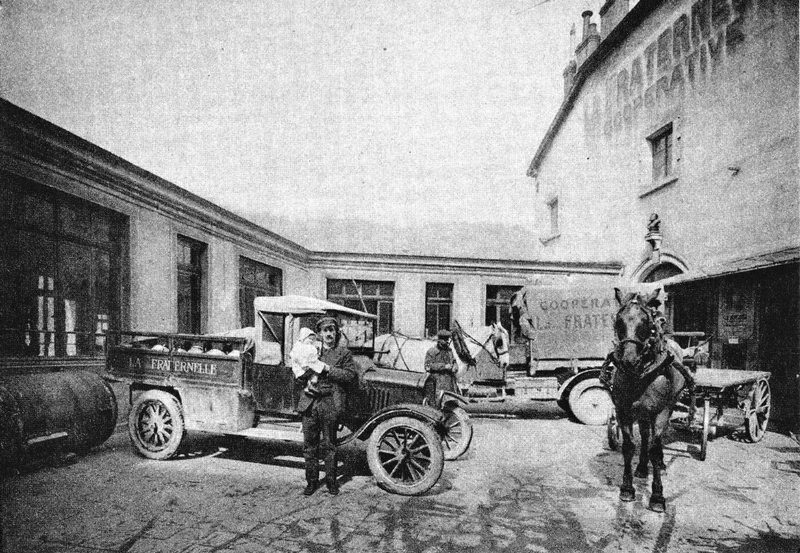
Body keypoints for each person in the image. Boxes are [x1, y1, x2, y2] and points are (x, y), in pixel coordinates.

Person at [295, 317, 356, 496]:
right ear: (320, 334)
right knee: (309, 446)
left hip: (329, 402)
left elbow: (349, 376)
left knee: (329, 445)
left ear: (336, 333)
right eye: (325, 330)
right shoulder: (311, 349)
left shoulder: (343, 353)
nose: (329, 333)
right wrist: (304, 372)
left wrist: (327, 369)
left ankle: (331, 482)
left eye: (332, 330)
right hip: (309, 402)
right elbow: (298, 372)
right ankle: (311, 482)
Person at [424, 329, 459, 404]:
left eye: (448, 339)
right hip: (437, 382)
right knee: (438, 402)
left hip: (450, 383)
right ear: (439, 340)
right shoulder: (432, 351)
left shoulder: (449, 351)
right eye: (445, 339)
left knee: (450, 403)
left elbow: (454, 361)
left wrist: (455, 367)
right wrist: (444, 366)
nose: (447, 341)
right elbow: (427, 366)